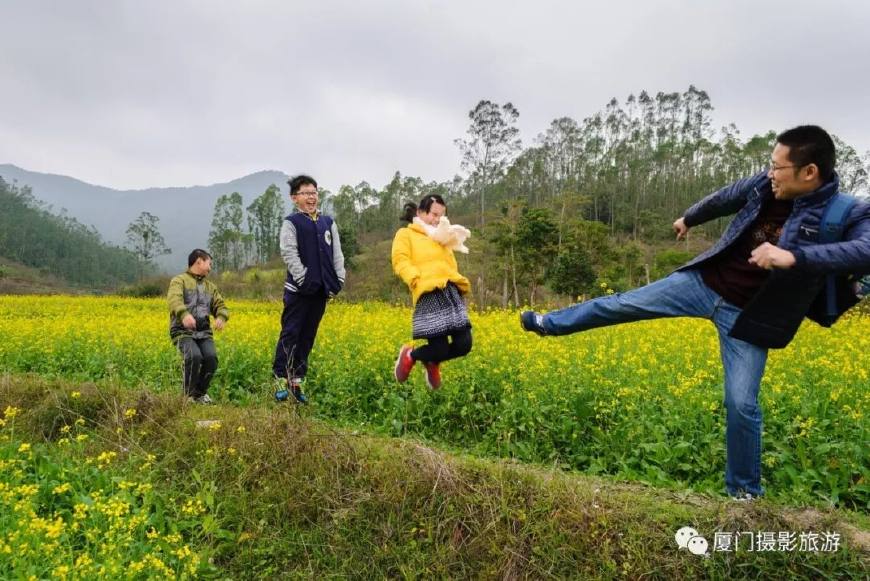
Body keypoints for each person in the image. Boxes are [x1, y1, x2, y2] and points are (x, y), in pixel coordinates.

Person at [520, 125, 870, 499]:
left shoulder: (846, 212)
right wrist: (689, 218)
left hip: (748, 317)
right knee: (622, 303)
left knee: (741, 403)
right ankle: (549, 324)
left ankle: (744, 495)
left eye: (778, 167)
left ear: (809, 172)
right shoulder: (764, 185)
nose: (771, 173)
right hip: (702, 285)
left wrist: (792, 256)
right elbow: (726, 197)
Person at [272, 174, 345, 404]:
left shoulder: (327, 223)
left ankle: (297, 382)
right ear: (295, 198)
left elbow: (337, 254)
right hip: (298, 290)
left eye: (314, 192)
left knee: (307, 337)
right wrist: (303, 278)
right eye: (306, 193)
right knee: (291, 332)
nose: (311, 197)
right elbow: (289, 253)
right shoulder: (291, 223)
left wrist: (338, 280)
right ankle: (280, 379)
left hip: (321, 291)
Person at [391, 194, 473, 389]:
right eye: (434, 215)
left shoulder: (441, 237)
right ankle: (412, 356)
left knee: (464, 345)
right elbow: (400, 259)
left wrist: (458, 284)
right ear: (420, 212)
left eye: (441, 216)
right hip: (428, 292)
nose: (438, 220)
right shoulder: (406, 234)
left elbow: (450, 263)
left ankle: (429, 360)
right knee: (439, 348)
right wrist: (414, 278)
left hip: (450, 291)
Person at [167, 249, 229, 404]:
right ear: (199, 261)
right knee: (194, 356)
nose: (210, 267)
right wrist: (184, 314)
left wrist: (221, 317)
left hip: (204, 332)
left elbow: (220, 305)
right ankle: (186, 396)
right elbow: (174, 300)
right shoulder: (178, 281)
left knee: (211, 359)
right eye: (209, 263)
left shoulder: (210, 287)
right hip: (182, 331)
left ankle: (199, 394)